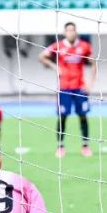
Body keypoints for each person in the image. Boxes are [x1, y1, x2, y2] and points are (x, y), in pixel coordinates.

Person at [40, 22, 96, 158]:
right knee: (62, 116)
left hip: (80, 87)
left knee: (83, 116)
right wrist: (55, 67)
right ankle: (60, 146)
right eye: (68, 30)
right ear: (65, 32)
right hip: (64, 88)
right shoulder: (58, 46)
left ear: (76, 32)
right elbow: (42, 56)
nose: (71, 33)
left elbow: (94, 63)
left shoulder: (84, 46)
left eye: (73, 30)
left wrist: (90, 83)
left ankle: (85, 146)